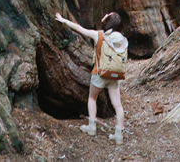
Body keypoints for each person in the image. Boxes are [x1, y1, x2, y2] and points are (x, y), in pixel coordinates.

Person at [55, 11, 128, 144]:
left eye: (108, 15)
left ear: (108, 22)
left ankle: (92, 127)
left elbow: (79, 29)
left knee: (92, 98)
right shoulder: (122, 39)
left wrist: (64, 20)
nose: (105, 14)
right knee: (117, 104)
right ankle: (119, 134)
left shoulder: (98, 35)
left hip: (99, 74)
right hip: (115, 75)